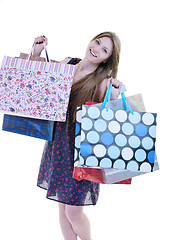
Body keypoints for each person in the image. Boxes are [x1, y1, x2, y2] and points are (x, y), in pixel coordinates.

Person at [33, 32, 122, 240]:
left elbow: (107, 119)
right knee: (62, 207)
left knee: (74, 212)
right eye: (98, 42)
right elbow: (39, 85)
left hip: (82, 154)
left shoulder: (102, 82)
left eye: (104, 50)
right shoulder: (67, 63)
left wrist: (114, 96)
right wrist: (37, 53)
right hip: (58, 145)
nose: (97, 49)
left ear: (107, 59)